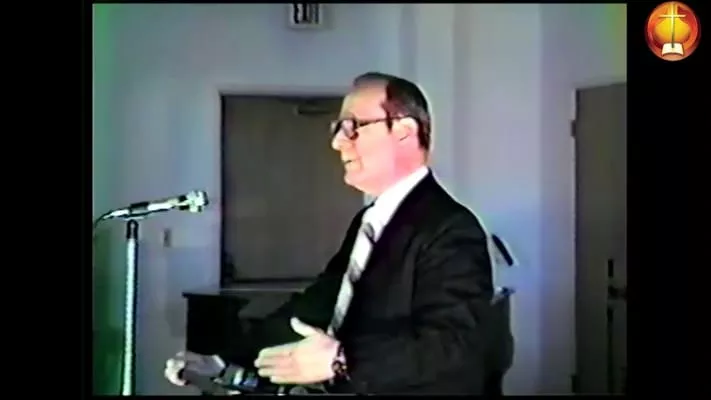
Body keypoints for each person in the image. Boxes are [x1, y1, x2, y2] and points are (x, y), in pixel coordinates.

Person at [165, 72, 508, 394]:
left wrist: (341, 359)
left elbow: (454, 345)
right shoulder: (368, 221)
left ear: (404, 131)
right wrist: (224, 359)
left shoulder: (451, 228)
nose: (338, 143)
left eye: (353, 127)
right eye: (338, 129)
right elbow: (316, 306)